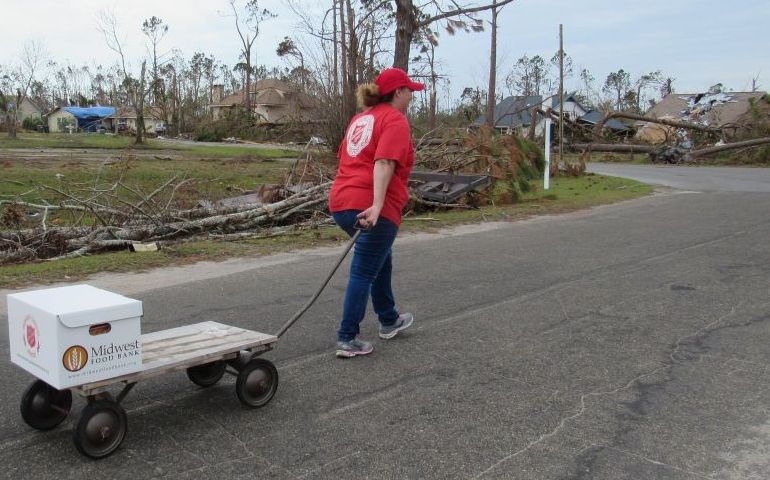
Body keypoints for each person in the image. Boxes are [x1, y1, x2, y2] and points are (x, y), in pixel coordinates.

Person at [328, 67, 423, 358]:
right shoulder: (394, 120)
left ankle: (388, 318)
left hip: (342, 202)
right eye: (409, 91)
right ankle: (348, 337)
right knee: (365, 269)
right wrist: (379, 205)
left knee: (382, 259)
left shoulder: (361, 118)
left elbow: (346, 157)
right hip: (371, 205)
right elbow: (383, 162)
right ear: (397, 92)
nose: (412, 96)